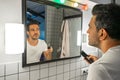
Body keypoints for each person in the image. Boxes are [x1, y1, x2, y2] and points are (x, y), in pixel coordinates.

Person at [85, 3, 120, 80]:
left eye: (90, 27)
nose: (87, 31)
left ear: (102, 33)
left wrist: (100, 66)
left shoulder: (98, 68)